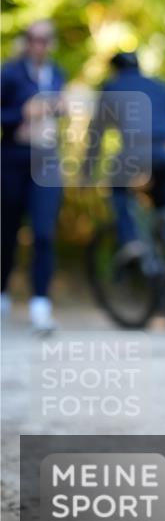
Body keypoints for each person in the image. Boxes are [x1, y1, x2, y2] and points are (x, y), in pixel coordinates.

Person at [83, 51, 165, 262]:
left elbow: (97, 135)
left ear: (115, 69)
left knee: (118, 188)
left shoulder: (112, 88)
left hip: (134, 151)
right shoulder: (159, 86)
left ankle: (131, 241)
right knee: (164, 204)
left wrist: (87, 172)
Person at [1, 20, 65, 333]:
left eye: (45, 39)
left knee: (43, 233)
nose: (39, 44)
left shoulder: (57, 74)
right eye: (33, 38)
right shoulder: (10, 73)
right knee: (8, 231)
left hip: (47, 160)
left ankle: (41, 305)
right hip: (13, 160)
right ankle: (2, 292)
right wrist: (22, 114)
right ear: (26, 41)